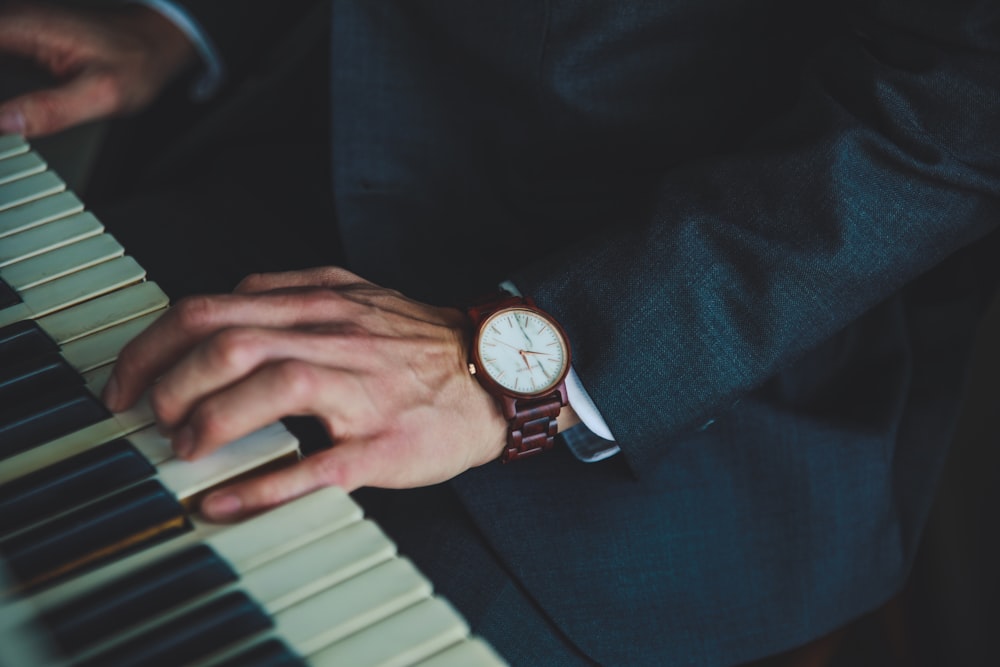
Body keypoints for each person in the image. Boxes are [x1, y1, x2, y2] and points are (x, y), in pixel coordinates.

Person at [1, 1, 998, 664]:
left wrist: (527, 362)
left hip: (680, 362)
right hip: (282, 175)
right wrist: (194, 19)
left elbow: (967, 93)